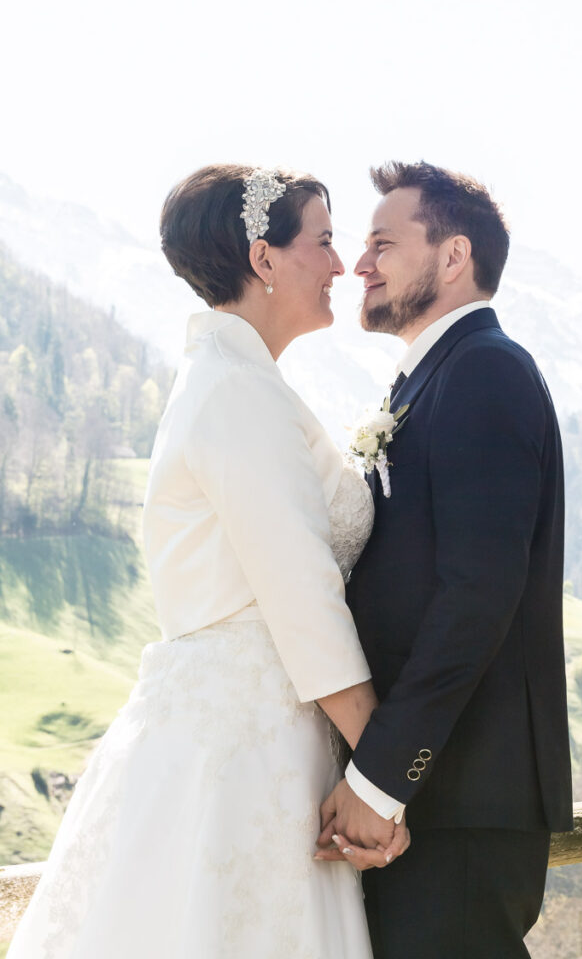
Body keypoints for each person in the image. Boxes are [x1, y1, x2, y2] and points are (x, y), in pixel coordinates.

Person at [8, 164, 408, 959]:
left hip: (251, 739)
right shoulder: (234, 392)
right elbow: (302, 600)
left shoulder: (235, 381)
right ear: (263, 260)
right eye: (323, 242)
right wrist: (384, 780)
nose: (340, 265)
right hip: (243, 758)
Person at [316, 161, 573, 957]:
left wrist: (381, 778)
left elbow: (476, 598)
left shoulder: (484, 372)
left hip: (461, 797)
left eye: (381, 244)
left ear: (453, 256)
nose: (359, 265)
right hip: (438, 798)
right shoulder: (432, 378)